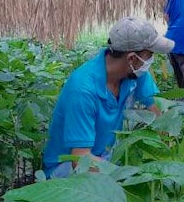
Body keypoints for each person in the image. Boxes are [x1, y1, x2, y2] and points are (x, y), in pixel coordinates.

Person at [42, 17, 174, 178]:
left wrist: (168, 141)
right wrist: (128, 176)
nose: (151, 61)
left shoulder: (135, 72)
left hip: (105, 155)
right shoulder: (83, 90)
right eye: (150, 55)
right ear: (132, 58)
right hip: (67, 166)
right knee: (119, 191)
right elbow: (80, 159)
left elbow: (156, 107)